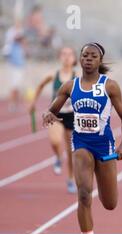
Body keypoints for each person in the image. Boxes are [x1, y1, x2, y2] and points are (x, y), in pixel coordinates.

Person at [43, 42, 122, 234]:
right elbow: (52, 109)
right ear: (80, 60)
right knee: (83, 194)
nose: (88, 59)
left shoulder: (110, 86)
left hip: (105, 146)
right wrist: (48, 115)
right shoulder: (70, 86)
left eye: (93, 56)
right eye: (85, 55)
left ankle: (104, 185)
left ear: (99, 61)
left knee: (110, 203)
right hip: (81, 143)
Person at [29, 47, 77, 193]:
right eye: (63, 54)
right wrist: (33, 103)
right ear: (59, 57)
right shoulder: (53, 74)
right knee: (55, 141)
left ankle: (70, 179)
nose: (66, 57)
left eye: (69, 54)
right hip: (55, 114)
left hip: (72, 115)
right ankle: (57, 156)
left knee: (71, 152)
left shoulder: (78, 75)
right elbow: (40, 86)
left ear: (74, 59)